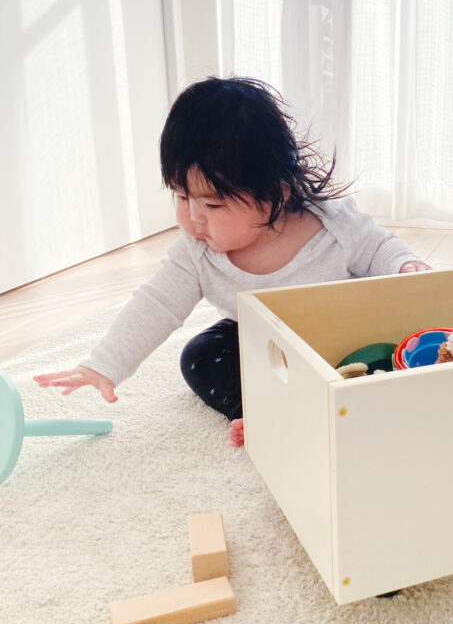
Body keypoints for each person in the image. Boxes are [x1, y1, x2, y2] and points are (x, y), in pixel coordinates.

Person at [34, 77, 430, 447]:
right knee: (201, 354)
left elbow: (381, 249)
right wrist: (104, 365)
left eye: (212, 203)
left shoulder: (332, 225)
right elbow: (155, 305)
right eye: (181, 197)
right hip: (267, 348)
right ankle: (260, 412)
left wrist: (405, 268)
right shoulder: (197, 251)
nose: (192, 218)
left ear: (275, 194)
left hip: (342, 337)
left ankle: (345, 398)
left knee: (389, 351)